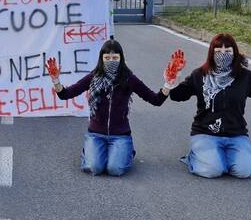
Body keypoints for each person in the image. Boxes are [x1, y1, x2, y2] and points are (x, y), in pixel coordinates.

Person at [46, 40, 185, 176]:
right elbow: (65, 94)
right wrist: (56, 80)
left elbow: (156, 100)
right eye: (107, 58)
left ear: (121, 58)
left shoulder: (129, 78)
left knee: (114, 169)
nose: (111, 61)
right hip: (96, 134)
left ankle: (126, 152)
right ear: (101, 58)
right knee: (94, 168)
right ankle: (93, 152)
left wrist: (168, 84)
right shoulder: (93, 77)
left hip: (120, 135)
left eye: (115, 57)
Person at [169, 33, 251, 179]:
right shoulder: (199, 75)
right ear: (211, 54)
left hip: (236, 133)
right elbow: (177, 95)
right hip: (206, 133)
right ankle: (193, 156)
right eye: (218, 51)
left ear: (234, 53)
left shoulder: (245, 77)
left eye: (228, 51)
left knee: (245, 172)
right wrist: (175, 75)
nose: (223, 54)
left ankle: (221, 157)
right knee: (213, 170)